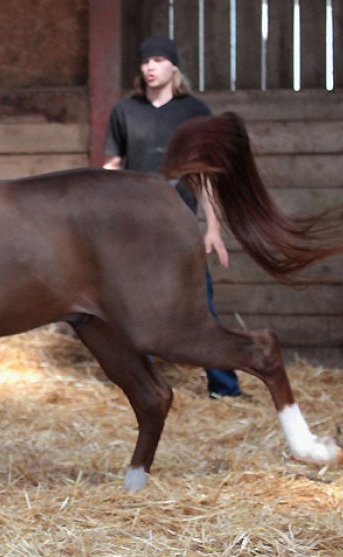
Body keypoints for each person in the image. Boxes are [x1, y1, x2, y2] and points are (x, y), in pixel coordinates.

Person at [102, 36, 241, 398]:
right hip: (133, 228)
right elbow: (112, 167)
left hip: (178, 225)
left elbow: (206, 175)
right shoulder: (125, 111)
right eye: (145, 61)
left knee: (201, 305)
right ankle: (137, 384)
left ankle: (224, 388)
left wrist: (212, 227)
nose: (150, 66)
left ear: (174, 66)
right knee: (127, 306)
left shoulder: (194, 111)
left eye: (159, 59)